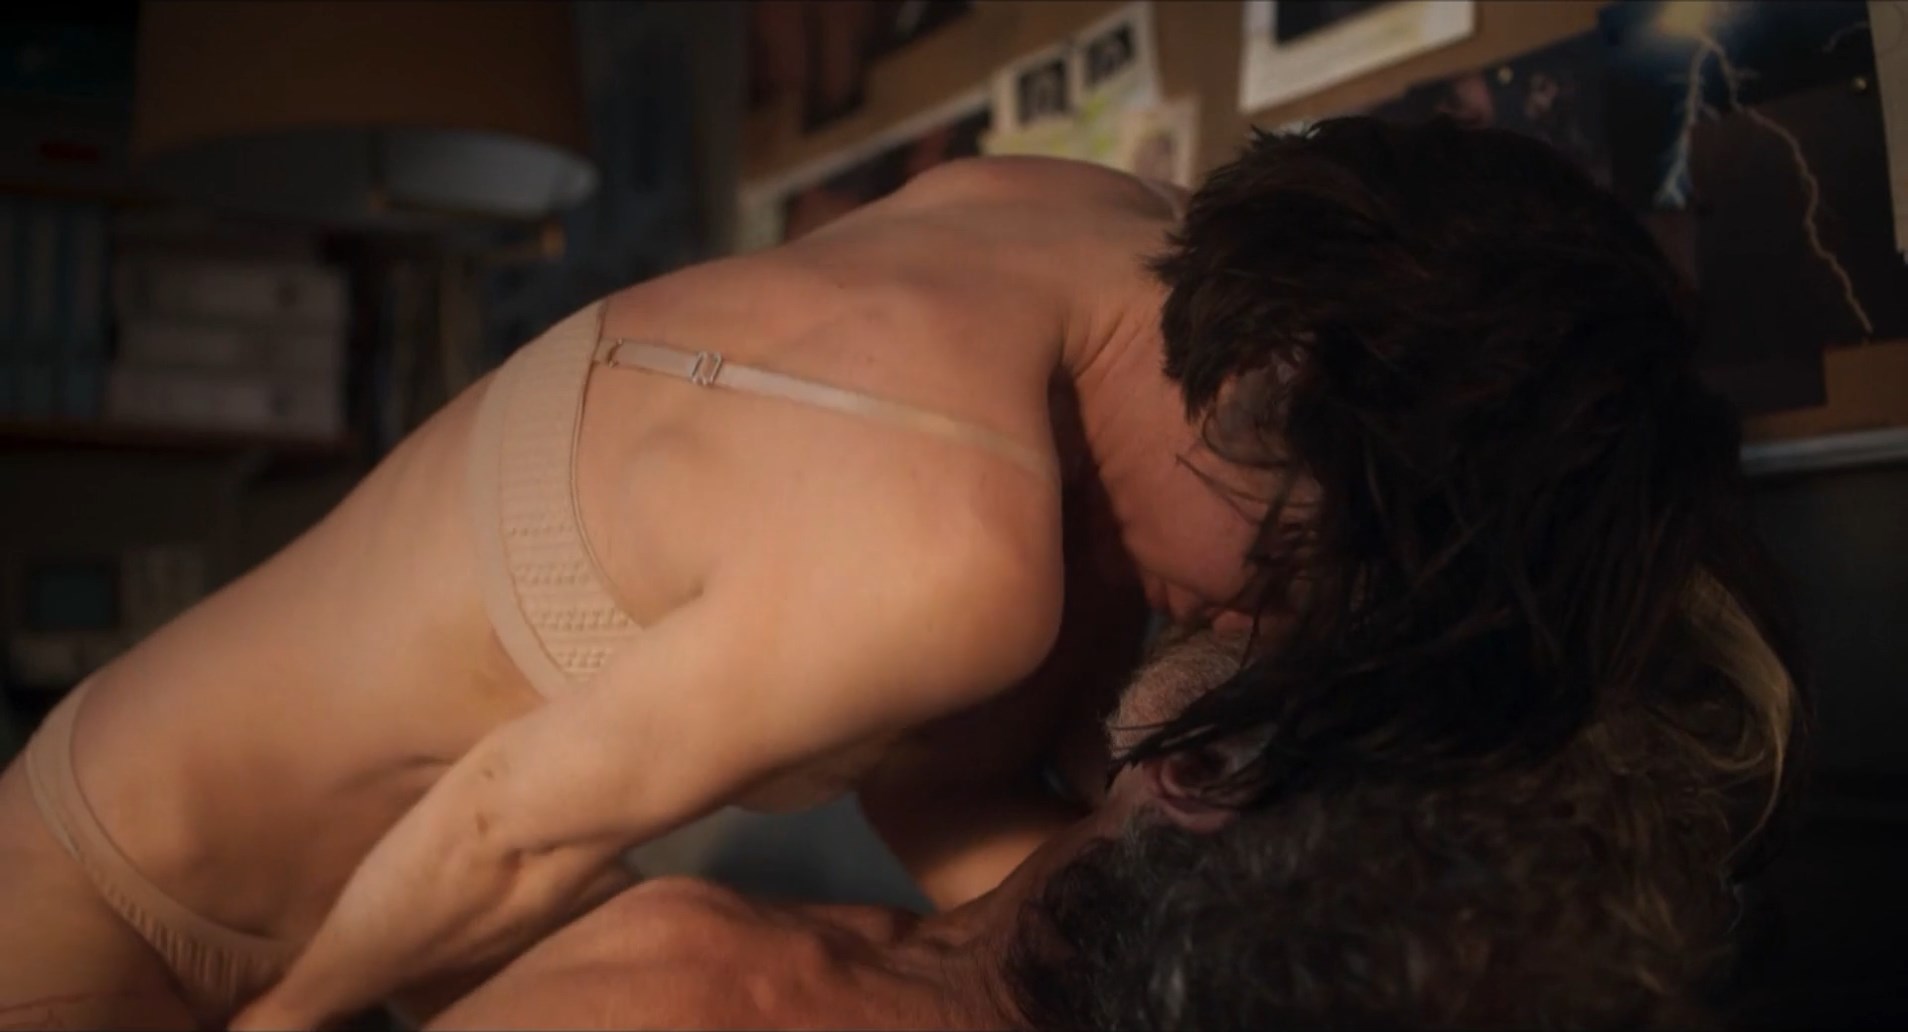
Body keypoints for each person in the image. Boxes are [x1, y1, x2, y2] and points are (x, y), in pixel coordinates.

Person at [0, 115, 1796, 1030]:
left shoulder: (1074, 215)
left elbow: (940, 786)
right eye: (1292, 572)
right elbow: (502, 833)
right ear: (1276, 388)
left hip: (264, 835)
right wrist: (290, 1026)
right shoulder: (955, 553)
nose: (1246, 624)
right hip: (142, 903)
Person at [426, 611, 1798, 1030]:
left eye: (1297, 614)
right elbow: (932, 784)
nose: (1242, 595)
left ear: (1193, 769)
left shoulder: (683, 986)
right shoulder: (1101, 944)